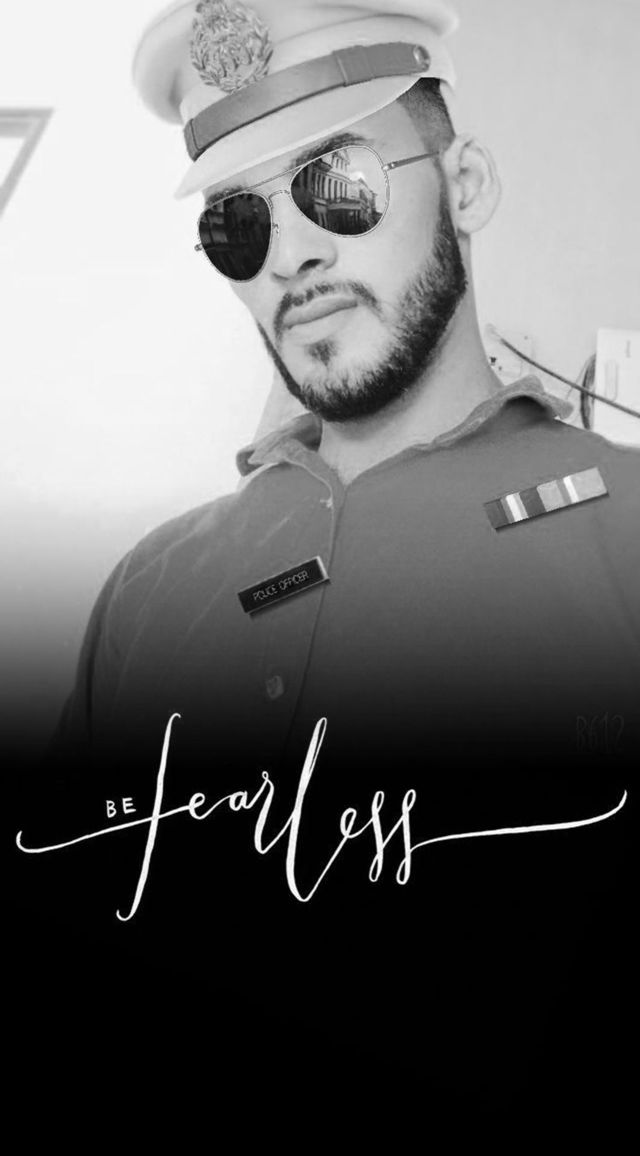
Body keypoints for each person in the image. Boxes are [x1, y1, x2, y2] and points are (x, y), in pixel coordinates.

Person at [15, 0, 638, 1119]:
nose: (292, 255)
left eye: (338, 184)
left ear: (466, 184)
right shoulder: (143, 592)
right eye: (237, 226)